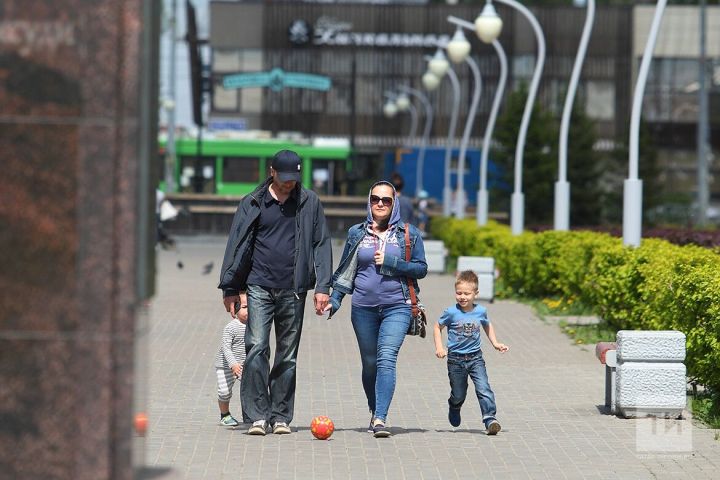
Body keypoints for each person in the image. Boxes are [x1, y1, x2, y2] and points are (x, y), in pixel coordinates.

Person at [218, 149, 333, 436]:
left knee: (287, 354)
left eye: (293, 179)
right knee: (256, 347)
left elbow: (321, 243)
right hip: (258, 286)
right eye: (283, 178)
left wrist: (323, 286)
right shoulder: (253, 202)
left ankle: (280, 415)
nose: (288, 184)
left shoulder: (309, 202)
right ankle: (258, 415)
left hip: (294, 290)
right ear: (272, 171)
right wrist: (232, 287)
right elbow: (236, 244)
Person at [324, 180, 428, 438]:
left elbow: (421, 268)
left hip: (398, 306)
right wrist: (334, 299)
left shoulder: (408, 233)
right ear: (369, 202)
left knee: (386, 358)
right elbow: (346, 271)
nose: (380, 204)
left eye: (386, 200)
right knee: (369, 363)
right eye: (375, 199)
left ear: (395, 204)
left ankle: (381, 417)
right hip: (363, 309)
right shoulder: (356, 233)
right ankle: (374, 409)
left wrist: (393, 263)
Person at [433, 270, 509, 435]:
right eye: (459, 293)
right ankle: (454, 406)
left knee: (484, 388)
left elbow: (487, 325)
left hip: (476, 358)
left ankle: (490, 419)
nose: (462, 297)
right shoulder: (451, 312)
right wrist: (439, 347)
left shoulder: (481, 311)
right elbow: (437, 327)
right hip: (455, 360)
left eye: (467, 293)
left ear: (476, 294)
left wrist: (495, 343)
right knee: (459, 393)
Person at [215, 316, 247, 427]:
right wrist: (232, 364)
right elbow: (226, 347)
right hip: (226, 366)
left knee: (251, 389)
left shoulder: (255, 325)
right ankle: (225, 415)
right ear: (235, 312)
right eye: (244, 307)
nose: (247, 310)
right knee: (224, 392)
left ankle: (253, 415)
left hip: (244, 365)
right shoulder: (231, 327)